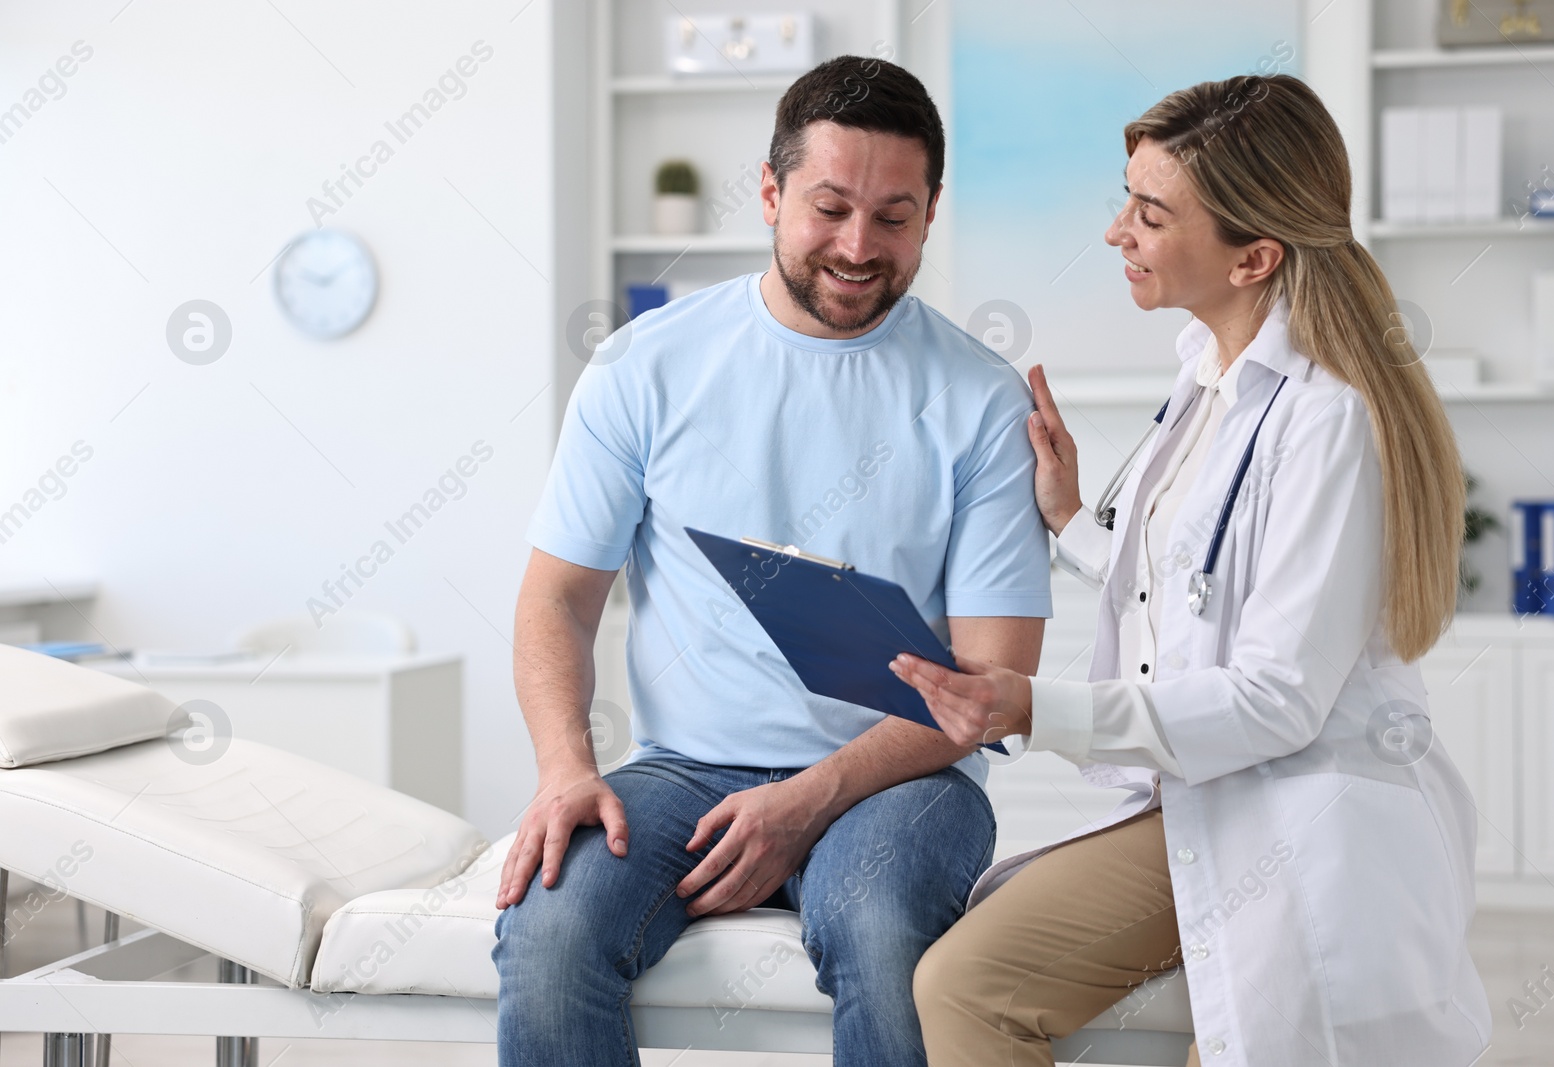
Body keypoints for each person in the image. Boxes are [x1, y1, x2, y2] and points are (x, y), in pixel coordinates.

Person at [894, 74, 1492, 1066]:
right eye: (1125, 199)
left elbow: (1275, 700)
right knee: (962, 977)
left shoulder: (1326, 417)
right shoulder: (1208, 371)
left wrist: (1030, 707)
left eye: (1150, 212)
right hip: (1202, 791)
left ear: (1253, 255)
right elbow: (1196, 582)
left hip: (1298, 811)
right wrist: (1072, 520)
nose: (1115, 232)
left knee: (995, 990)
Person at [492, 55, 1052, 1067]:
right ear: (767, 191)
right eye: (828, 207)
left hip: (901, 779)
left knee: (882, 932)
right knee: (550, 928)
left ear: (931, 212)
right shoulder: (644, 367)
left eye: (892, 216)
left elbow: (991, 677)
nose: (856, 246)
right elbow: (558, 599)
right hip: (684, 767)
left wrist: (812, 797)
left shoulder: (981, 400)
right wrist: (565, 767)